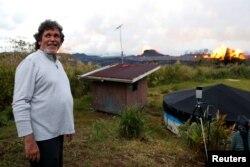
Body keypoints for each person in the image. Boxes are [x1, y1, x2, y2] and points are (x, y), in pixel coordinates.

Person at [12, 19, 75, 167]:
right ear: (39, 40)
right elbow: (20, 103)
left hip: (56, 133)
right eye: (48, 35)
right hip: (42, 137)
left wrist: (68, 125)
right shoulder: (31, 63)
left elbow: (62, 95)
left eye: (56, 36)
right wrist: (29, 140)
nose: (52, 39)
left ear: (60, 41)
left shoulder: (57, 63)